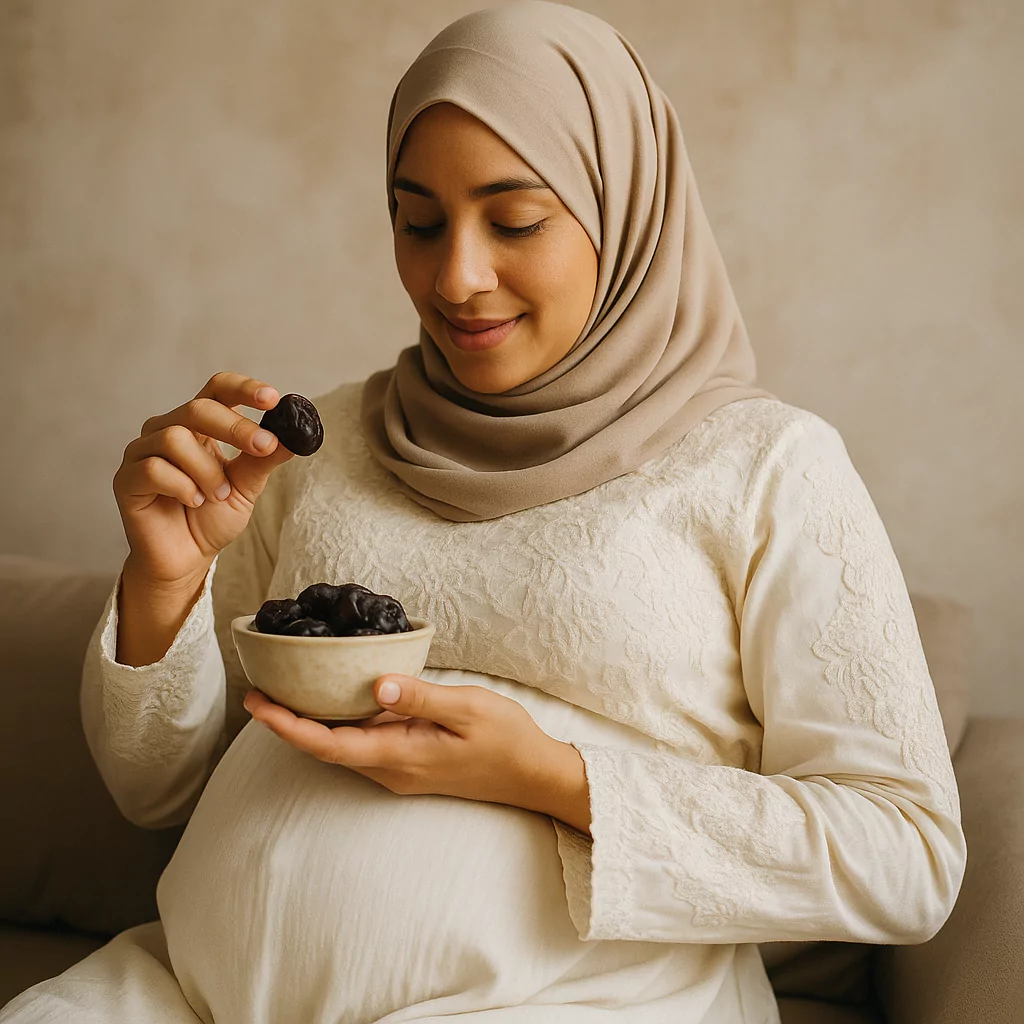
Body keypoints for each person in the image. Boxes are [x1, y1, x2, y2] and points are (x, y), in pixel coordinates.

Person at [1, 2, 966, 1022]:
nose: (454, 277)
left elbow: (903, 855)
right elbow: (156, 789)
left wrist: (552, 777)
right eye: (417, 221)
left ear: (623, 209)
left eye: (514, 221)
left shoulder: (767, 467)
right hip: (180, 993)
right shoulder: (314, 447)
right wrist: (165, 577)